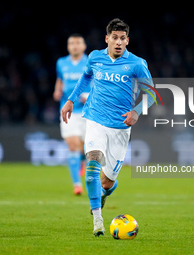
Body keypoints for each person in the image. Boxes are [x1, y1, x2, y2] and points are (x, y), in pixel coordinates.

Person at [61, 18, 155, 236]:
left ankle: (104, 195)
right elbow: (85, 78)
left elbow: (151, 94)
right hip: (94, 119)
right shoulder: (95, 57)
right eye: (115, 37)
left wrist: (136, 111)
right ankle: (98, 221)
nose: (119, 42)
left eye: (123, 38)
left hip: (120, 128)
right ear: (107, 39)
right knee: (92, 165)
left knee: (107, 181)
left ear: (127, 40)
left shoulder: (137, 64)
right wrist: (71, 99)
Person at [54, 33, 91, 195]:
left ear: (84, 46)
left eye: (78, 43)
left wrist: (89, 96)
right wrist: (57, 89)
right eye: (71, 43)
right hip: (68, 109)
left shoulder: (91, 62)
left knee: (84, 148)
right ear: (68, 47)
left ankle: (82, 161)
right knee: (72, 144)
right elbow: (60, 79)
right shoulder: (61, 63)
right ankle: (77, 184)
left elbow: (98, 82)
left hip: (88, 111)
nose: (74, 46)